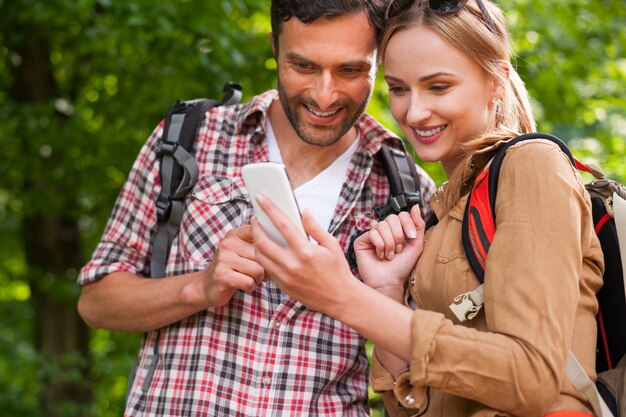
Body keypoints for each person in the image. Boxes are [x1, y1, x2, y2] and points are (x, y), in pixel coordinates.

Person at [76, 0, 436, 415]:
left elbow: (408, 392)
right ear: (274, 46)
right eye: (302, 66)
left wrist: (381, 296)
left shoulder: (406, 194)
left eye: (350, 70)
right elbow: (95, 302)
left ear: (380, 60)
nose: (324, 94)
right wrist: (199, 286)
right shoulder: (190, 139)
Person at [250, 0, 605, 416]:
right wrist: (386, 292)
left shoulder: (532, 164)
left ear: (497, 81)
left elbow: (531, 379)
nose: (413, 112)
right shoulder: (439, 208)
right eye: (399, 89)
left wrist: (344, 296)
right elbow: (415, 409)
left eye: (438, 87)